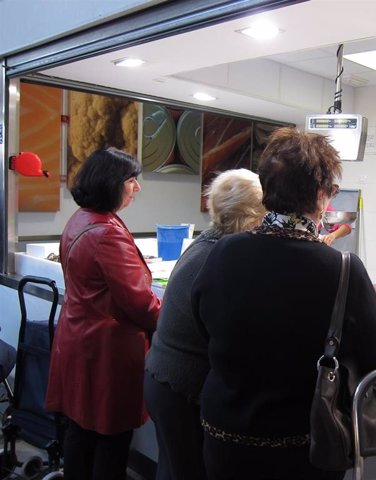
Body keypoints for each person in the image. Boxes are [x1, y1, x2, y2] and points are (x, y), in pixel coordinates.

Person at [192, 127, 376, 480]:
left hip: (225, 439)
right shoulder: (341, 268)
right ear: (323, 195)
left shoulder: (224, 250)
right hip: (301, 449)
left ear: (267, 188)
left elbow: (202, 324)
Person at [45, 148, 161, 480]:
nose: (137, 187)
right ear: (111, 183)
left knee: (81, 430)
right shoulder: (108, 233)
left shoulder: (80, 219)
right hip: (107, 351)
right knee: (112, 438)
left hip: (79, 340)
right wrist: (174, 319)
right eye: (131, 180)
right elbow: (139, 303)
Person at [144, 169, 266, 480]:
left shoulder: (206, 244)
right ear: (253, 214)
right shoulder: (221, 257)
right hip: (181, 388)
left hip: (164, 379)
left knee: (173, 469)